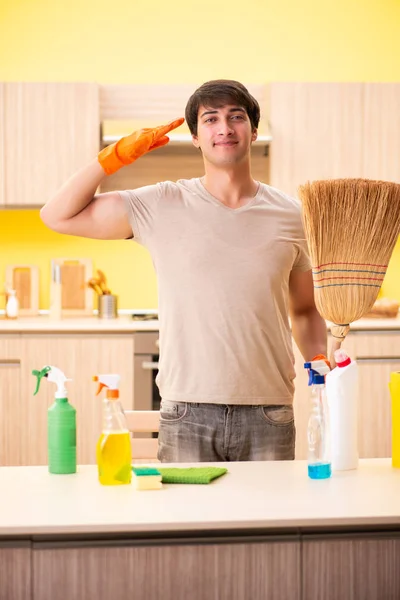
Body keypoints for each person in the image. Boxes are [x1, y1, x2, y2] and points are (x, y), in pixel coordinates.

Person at [40, 79, 327, 463]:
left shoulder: (294, 215)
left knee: (265, 525)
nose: (224, 128)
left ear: (253, 131)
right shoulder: (161, 203)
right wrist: (113, 158)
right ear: (195, 136)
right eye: (210, 119)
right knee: (187, 524)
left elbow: (306, 310)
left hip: (269, 411)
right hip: (186, 413)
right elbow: (56, 215)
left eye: (236, 117)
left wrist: (322, 368)